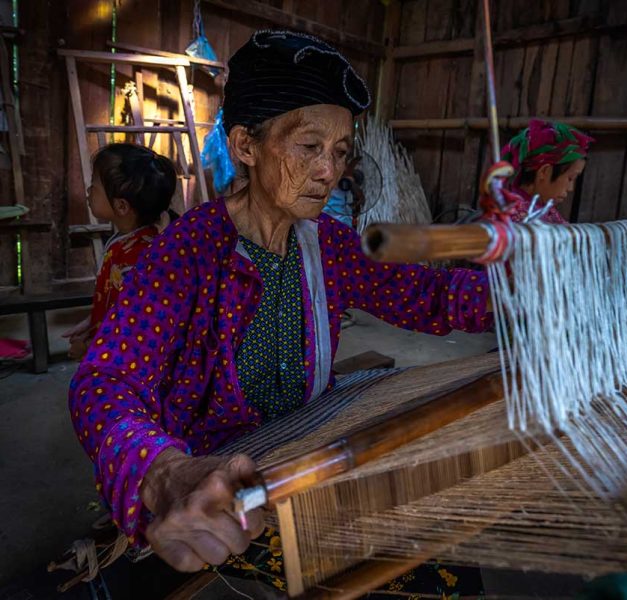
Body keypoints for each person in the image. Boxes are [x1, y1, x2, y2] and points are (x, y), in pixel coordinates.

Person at [68, 30, 493, 575]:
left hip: (305, 442)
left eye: (340, 152)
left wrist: (523, 292)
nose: (329, 171)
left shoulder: (325, 244)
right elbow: (104, 382)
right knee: (413, 568)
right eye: (309, 146)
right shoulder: (186, 253)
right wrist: (165, 472)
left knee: (439, 532)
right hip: (228, 481)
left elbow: (426, 296)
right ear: (246, 145)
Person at [62, 144, 177, 359]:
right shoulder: (125, 242)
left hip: (124, 366)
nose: (88, 191)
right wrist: (93, 320)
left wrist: (88, 350)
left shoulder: (138, 260)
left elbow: (135, 333)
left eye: (94, 186)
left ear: (122, 206)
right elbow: (117, 304)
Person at [500, 118, 594, 223]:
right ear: (544, 172)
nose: (570, 188)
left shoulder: (544, 210)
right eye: (570, 178)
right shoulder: (516, 218)